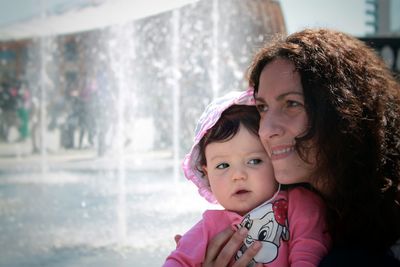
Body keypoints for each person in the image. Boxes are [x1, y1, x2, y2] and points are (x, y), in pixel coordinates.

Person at [198, 28, 400, 267]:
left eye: (291, 104)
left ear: (344, 111)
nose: (266, 130)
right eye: (262, 108)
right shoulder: (276, 209)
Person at [164, 89, 331, 267]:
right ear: (207, 174)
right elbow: (177, 261)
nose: (238, 175)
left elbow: (309, 250)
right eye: (223, 165)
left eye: (254, 161)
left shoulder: (299, 203)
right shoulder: (210, 227)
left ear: (274, 159)